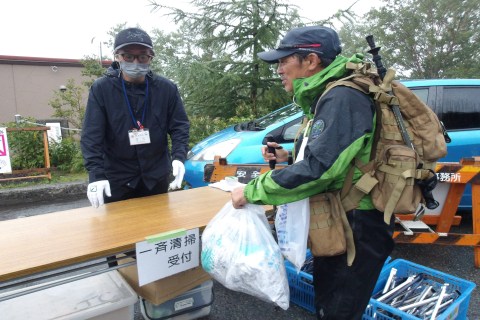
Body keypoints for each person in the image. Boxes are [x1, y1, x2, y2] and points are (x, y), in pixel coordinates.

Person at [231, 26, 395, 319]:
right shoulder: (329, 94)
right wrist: (287, 156)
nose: (279, 69)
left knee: (337, 309)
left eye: (284, 61)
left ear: (310, 60)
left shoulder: (342, 97)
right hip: (345, 216)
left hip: (357, 221)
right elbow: (341, 155)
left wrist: (252, 191)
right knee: (330, 301)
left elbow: (321, 168)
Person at [81, 27, 190, 208]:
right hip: (116, 179)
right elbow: (91, 135)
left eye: (143, 56)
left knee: (158, 230)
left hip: (156, 177)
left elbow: (179, 126)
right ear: (117, 56)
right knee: (120, 232)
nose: (136, 62)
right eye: (128, 56)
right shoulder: (102, 89)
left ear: (151, 57)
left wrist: (178, 156)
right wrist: (96, 174)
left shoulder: (166, 88)